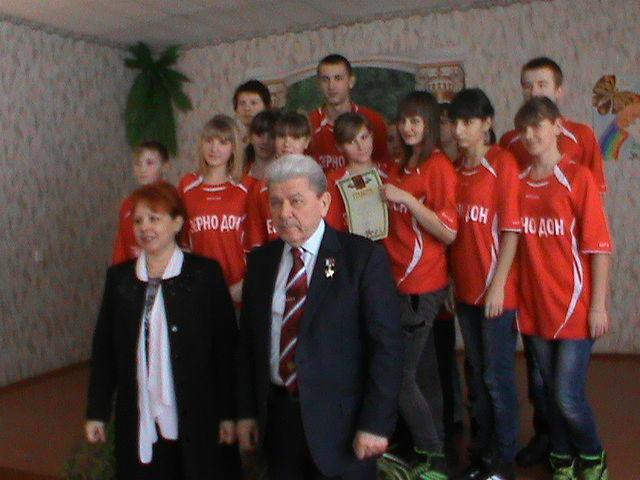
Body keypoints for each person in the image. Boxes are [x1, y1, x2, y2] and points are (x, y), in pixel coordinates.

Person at [236, 154, 404, 479]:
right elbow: (248, 347)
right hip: (279, 422)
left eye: (296, 201)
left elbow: (387, 348)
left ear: (324, 202)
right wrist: (246, 413)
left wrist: (375, 424)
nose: (284, 213)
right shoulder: (261, 263)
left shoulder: (361, 258)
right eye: (276, 203)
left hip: (344, 427)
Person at [85, 181, 241, 480]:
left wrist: (228, 414)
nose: (145, 227)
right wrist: (97, 412)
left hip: (199, 414)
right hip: (139, 414)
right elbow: (104, 351)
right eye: (138, 221)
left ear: (177, 222)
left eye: (154, 218)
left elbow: (226, 350)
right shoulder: (119, 280)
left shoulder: (204, 274)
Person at [500, 56, 608, 468]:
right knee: (544, 389)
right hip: (534, 301)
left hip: (573, 299)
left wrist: (598, 303)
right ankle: (560, 456)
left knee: (566, 394)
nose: (530, 135)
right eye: (527, 85)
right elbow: (510, 235)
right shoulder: (517, 172)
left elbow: (597, 241)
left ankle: (593, 458)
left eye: (542, 84)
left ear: (557, 125)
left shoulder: (579, 166)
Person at [380, 91, 457, 479]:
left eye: (416, 121)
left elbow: (448, 232)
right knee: (423, 374)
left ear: (428, 124)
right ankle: (435, 452)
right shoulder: (399, 166)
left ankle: (433, 455)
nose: (408, 128)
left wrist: (408, 201)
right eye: (403, 120)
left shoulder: (438, 166)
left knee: (400, 377)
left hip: (422, 284)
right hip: (397, 282)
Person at [448, 89, 521, 480]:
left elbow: (511, 230)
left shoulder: (502, 163)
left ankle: (504, 459)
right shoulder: (455, 169)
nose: (459, 131)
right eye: (455, 123)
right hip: (464, 291)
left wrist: (498, 285)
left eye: (468, 122)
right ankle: (483, 453)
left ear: (487, 123)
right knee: (476, 375)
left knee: (496, 376)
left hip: (496, 293)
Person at [500, 56, 607, 192]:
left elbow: (595, 193)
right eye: (527, 86)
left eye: (542, 85)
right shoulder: (509, 141)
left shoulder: (583, 135)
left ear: (558, 91)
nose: (534, 93)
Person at [179, 115, 247, 304]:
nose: (214, 148)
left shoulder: (246, 187)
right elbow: (183, 241)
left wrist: (245, 284)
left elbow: (256, 244)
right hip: (200, 291)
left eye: (223, 142)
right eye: (209, 141)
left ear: (233, 148)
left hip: (238, 289)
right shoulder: (187, 185)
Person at [308, 54, 389, 173]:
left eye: (338, 78)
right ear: (318, 84)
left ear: (351, 81)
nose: (331, 86)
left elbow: (385, 166)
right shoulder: (309, 124)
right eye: (325, 79)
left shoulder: (373, 120)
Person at [245, 111, 312, 250]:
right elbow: (256, 240)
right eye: (281, 137)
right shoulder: (261, 188)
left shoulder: (318, 183)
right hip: (275, 258)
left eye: (295, 137)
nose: (287, 143)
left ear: (306, 141)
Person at [325, 112, 388, 233]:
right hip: (352, 241)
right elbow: (332, 223)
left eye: (364, 137)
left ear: (372, 136)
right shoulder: (335, 180)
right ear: (339, 147)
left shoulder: (389, 172)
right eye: (352, 142)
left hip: (389, 242)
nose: (361, 146)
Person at [112, 141, 170, 265]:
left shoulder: (172, 201)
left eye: (149, 163)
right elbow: (122, 246)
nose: (142, 169)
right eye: (138, 163)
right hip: (134, 268)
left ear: (165, 167)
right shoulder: (128, 204)